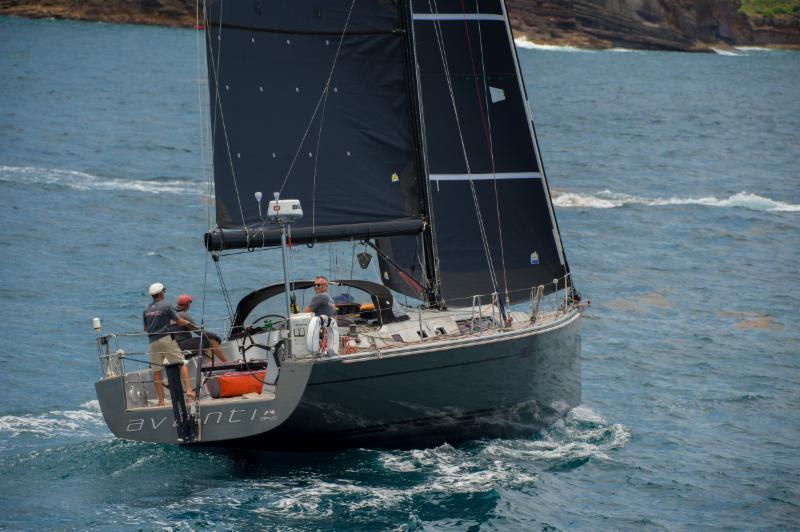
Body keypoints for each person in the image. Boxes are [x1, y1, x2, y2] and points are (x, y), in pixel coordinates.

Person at [143, 282, 195, 406]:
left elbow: (146, 328)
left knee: (156, 370)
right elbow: (178, 321)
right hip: (166, 339)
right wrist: (186, 322)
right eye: (164, 291)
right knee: (181, 363)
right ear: (161, 293)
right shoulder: (167, 306)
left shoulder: (146, 310)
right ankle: (189, 391)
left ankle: (161, 401)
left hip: (152, 342)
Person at [173, 294, 228, 365]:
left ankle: (209, 364)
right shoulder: (183, 315)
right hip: (182, 345)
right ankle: (226, 363)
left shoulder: (173, 314)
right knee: (211, 340)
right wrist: (214, 335)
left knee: (205, 341)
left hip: (174, 345)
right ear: (187, 305)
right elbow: (197, 331)